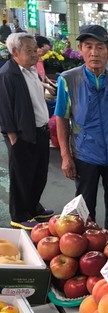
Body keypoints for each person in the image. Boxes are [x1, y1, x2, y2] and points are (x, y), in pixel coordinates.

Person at [54, 25, 108, 239]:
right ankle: (86, 251)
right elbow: (61, 120)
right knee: (84, 210)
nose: (94, 52)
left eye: (100, 47)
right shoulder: (68, 80)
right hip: (85, 156)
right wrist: (65, 156)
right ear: (80, 49)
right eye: (88, 46)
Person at [0, 33, 53, 230]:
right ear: (15, 52)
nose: (35, 54)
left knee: (39, 173)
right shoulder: (8, 74)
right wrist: (12, 135)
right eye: (29, 51)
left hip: (40, 131)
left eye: (35, 50)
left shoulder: (31, 71)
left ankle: (33, 207)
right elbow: (4, 108)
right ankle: (19, 214)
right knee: (22, 175)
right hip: (22, 134)